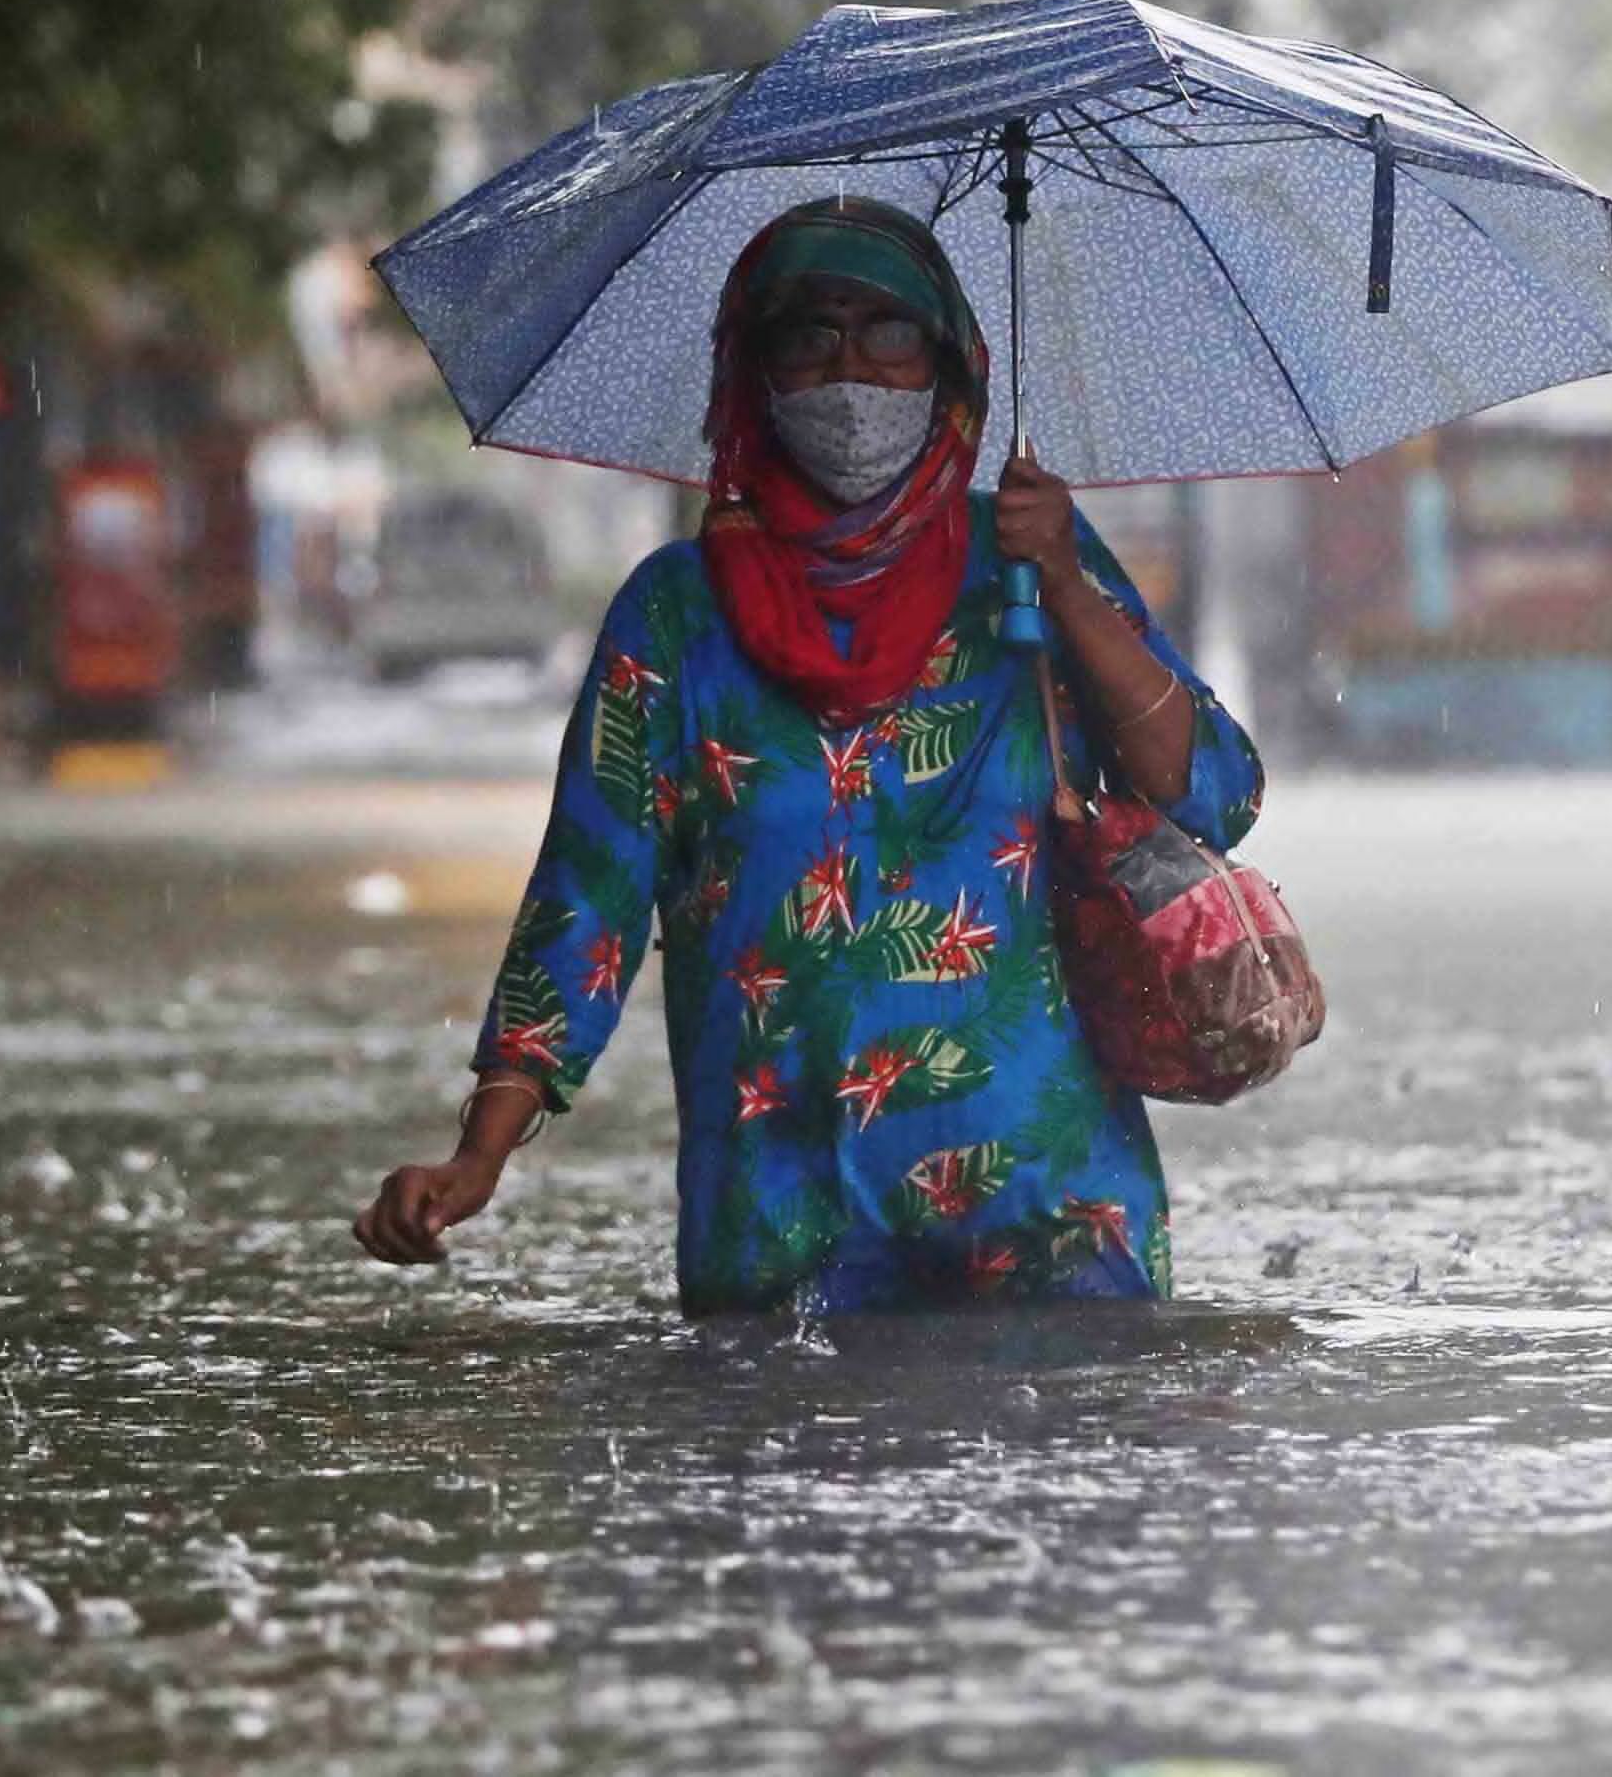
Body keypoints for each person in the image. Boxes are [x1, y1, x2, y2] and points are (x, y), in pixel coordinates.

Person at [352, 196, 1265, 1313]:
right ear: (753, 373)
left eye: (888, 332)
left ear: (951, 370)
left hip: (1048, 1215)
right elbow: (585, 900)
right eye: (807, 336)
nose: (850, 374)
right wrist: (478, 1152)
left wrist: (1068, 587)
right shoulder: (675, 619)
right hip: (781, 1220)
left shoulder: (1030, 567)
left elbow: (1213, 792)